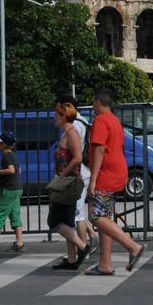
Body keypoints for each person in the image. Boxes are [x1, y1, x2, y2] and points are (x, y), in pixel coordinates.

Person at [85, 88, 145, 276]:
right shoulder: (114, 121)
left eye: (93, 103)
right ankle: (104, 264)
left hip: (105, 174)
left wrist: (92, 180)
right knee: (106, 217)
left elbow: (99, 150)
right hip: (118, 172)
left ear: (97, 102)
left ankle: (132, 247)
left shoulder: (100, 120)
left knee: (96, 217)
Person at [49, 102, 91, 270]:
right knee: (67, 220)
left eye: (56, 115)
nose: (54, 118)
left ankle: (82, 247)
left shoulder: (71, 133)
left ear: (63, 116)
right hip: (65, 181)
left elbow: (78, 158)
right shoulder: (66, 132)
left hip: (68, 182)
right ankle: (72, 259)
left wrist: (64, 173)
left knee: (54, 221)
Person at [56, 94, 99, 256]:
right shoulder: (83, 120)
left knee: (78, 215)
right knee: (77, 212)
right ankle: (90, 238)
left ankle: (83, 249)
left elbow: (75, 155)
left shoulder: (74, 125)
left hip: (78, 174)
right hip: (84, 171)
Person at [0, 131, 25, 253]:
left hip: (9, 189)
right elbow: (19, 170)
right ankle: (19, 243)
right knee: (15, 215)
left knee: (0, 215)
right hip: (17, 188)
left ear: (3, 144)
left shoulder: (6, 156)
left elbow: (12, 170)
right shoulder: (13, 155)